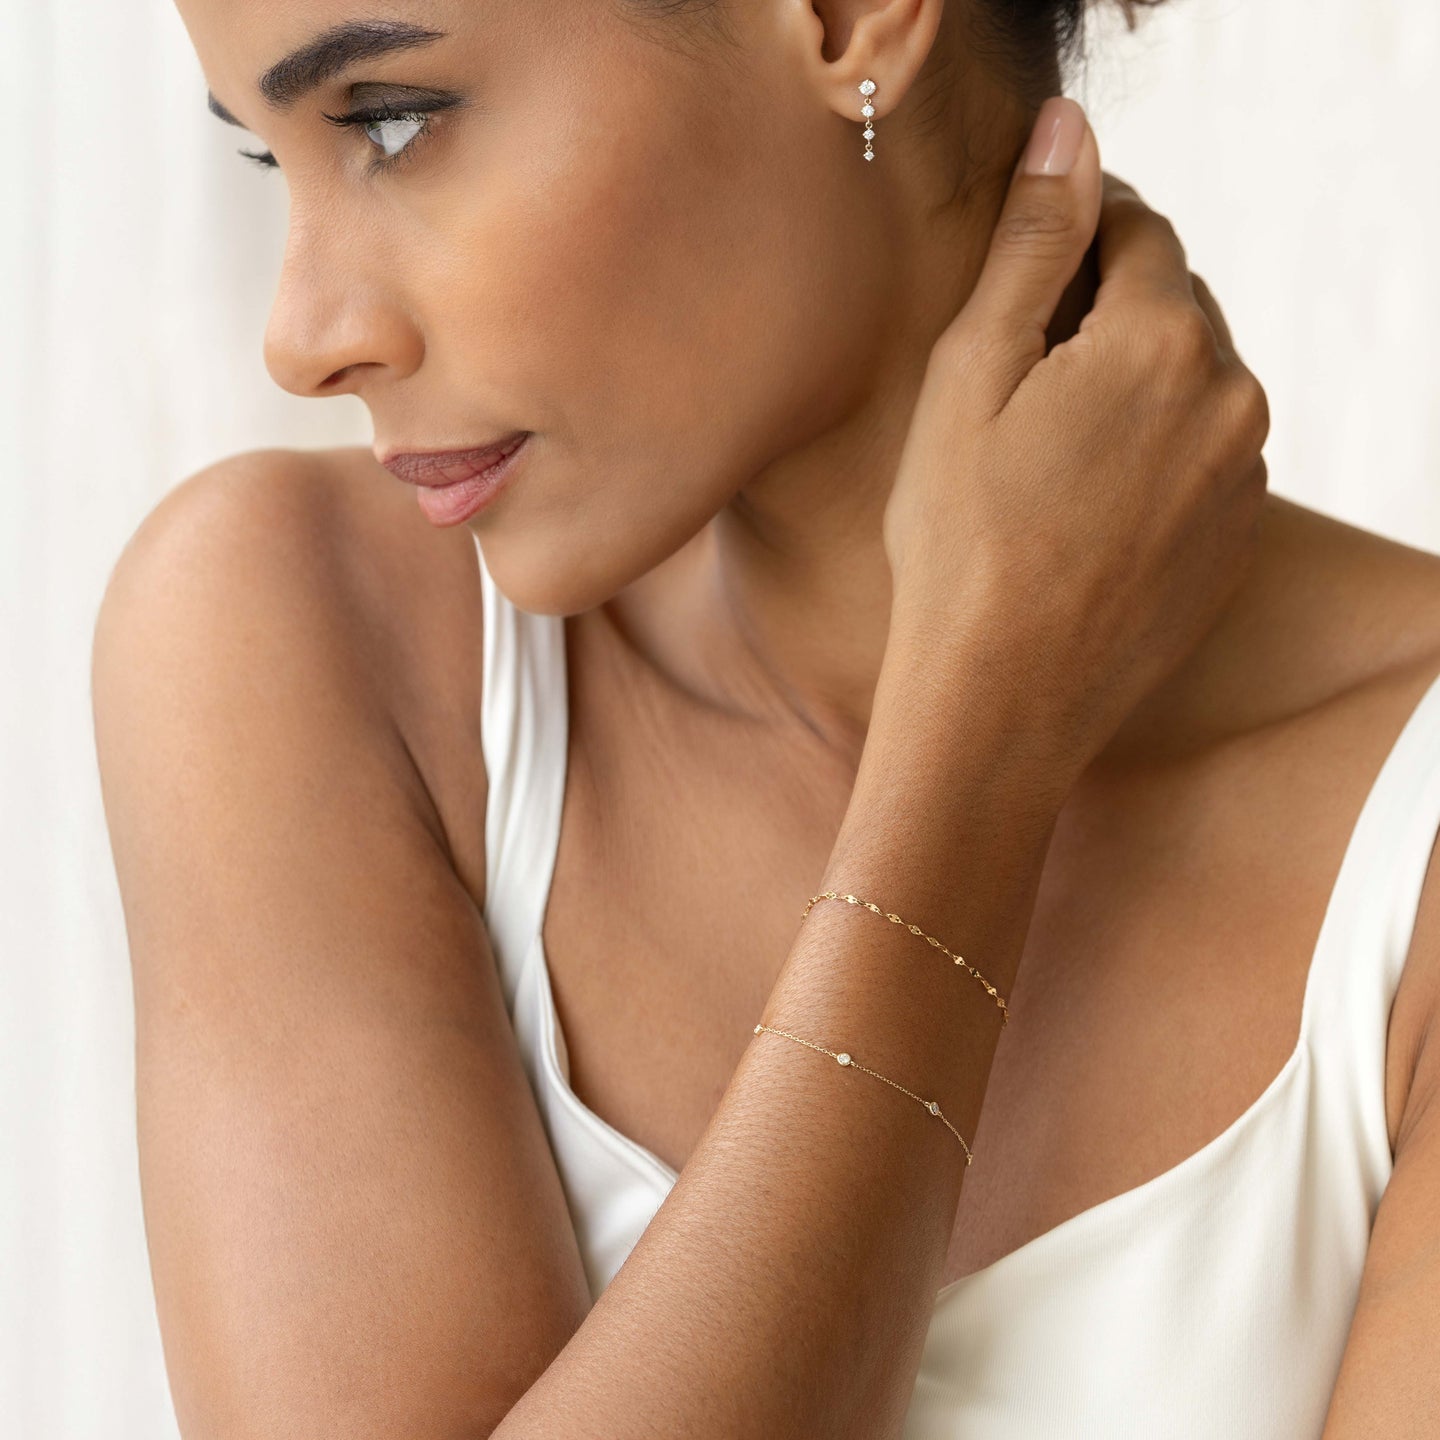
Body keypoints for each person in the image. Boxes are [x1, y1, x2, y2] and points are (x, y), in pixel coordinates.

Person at [90, 2, 1440, 1436]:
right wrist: (972, 748)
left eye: (393, 121)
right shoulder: (307, 643)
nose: (300, 341)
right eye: (264, 157)